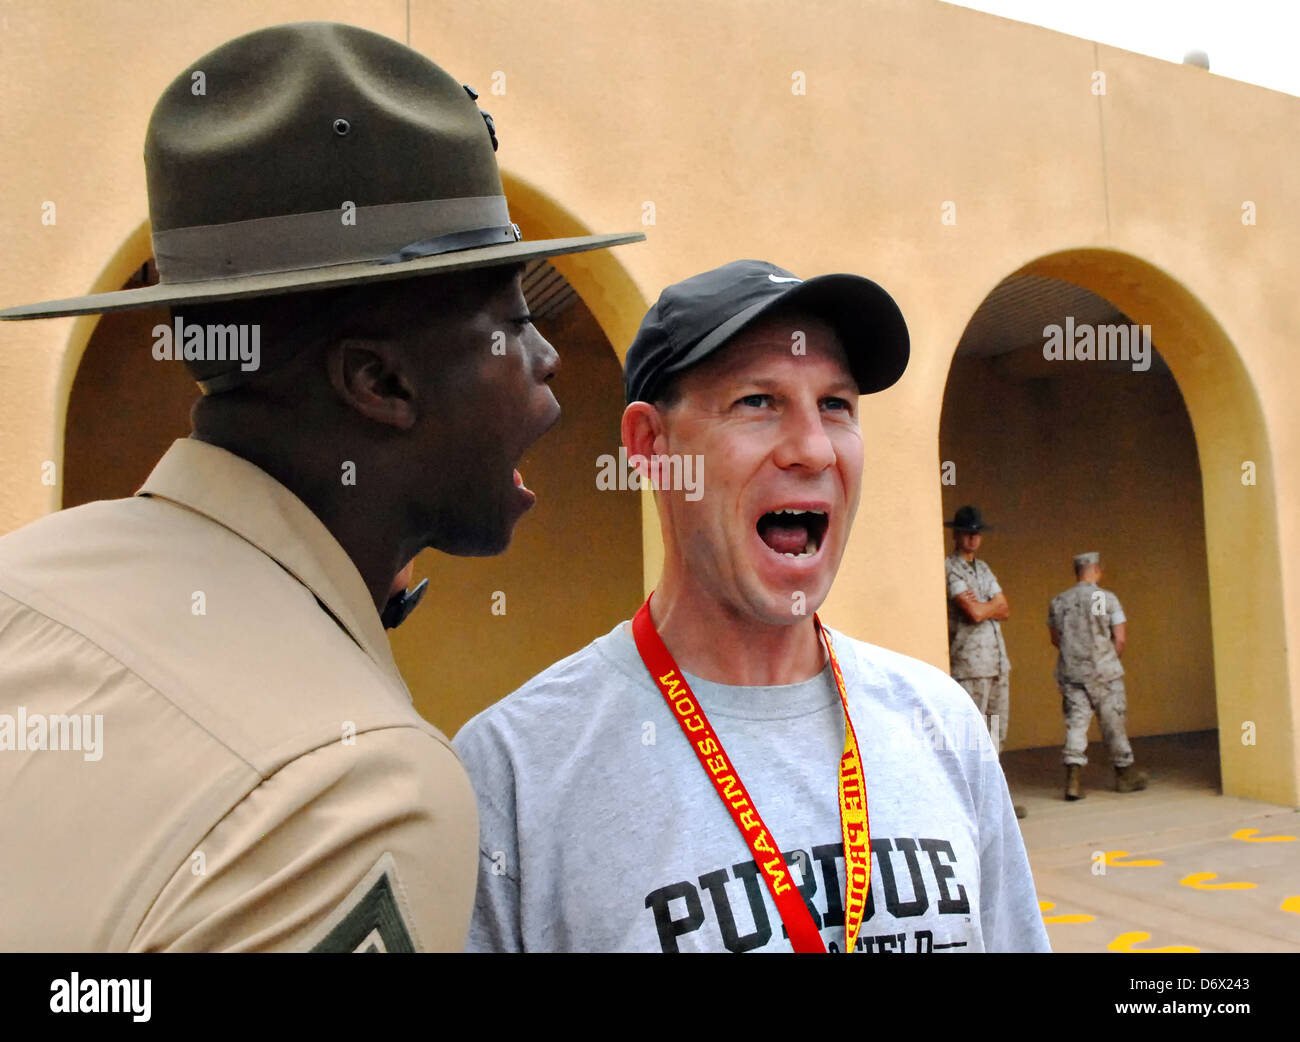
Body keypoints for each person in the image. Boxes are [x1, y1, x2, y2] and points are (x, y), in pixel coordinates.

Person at [0, 22, 641, 952]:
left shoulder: (23, 578)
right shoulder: (359, 789)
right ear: (378, 384)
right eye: (510, 321)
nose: (548, 358)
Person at [453, 260, 1050, 953]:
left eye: (837, 405)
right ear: (652, 446)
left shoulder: (943, 723)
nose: (814, 449)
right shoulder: (515, 771)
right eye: (758, 402)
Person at [943, 505, 1025, 818]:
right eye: (969, 533)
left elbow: (1004, 608)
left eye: (978, 533)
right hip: (971, 665)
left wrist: (987, 606)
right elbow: (974, 612)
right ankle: (971, 805)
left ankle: (995, 804)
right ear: (957, 534)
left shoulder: (983, 569)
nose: (974, 539)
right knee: (971, 736)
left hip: (996, 662)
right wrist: (988, 606)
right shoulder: (950, 568)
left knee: (995, 735)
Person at [1048, 552, 1149, 800]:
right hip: (1104, 672)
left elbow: (1055, 638)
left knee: (1076, 723)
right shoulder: (1104, 599)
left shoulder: (1059, 601)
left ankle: (1073, 780)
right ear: (1096, 570)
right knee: (1112, 721)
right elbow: (1120, 638)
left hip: (1072, 673)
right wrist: (1108, 658)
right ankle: (1124, 773)